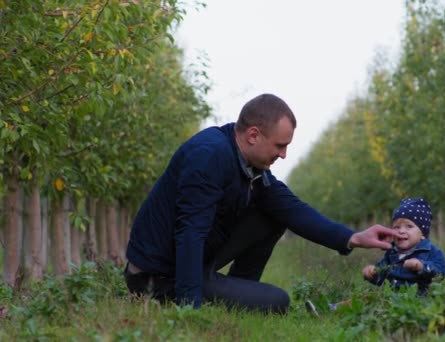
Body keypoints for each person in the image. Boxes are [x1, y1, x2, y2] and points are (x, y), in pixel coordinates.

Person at [125, 93, 398, 314]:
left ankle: (237, 292)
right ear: (253, 135)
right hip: (157, 276)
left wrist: (353, 237)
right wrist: (189, 311)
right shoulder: (208, 156)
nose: (284, 154)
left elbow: (293, 209)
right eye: (280, 146)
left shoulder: (250, 165)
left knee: (274, 214)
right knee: (277, 302)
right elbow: (189, 233)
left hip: (191, 262)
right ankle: (216, 295)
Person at [305, 197, 445, 316]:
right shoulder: (392, 252)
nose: (401, 231)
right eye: (396, 227)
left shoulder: (431, 251)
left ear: (422, 233)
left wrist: (422, 266)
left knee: (374, 303)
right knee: (366, 298)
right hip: (388, 298)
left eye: (409, 227)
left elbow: (440, 272)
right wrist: (372, 274)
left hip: (417, 299)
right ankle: (329, 310)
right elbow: (382, 276)